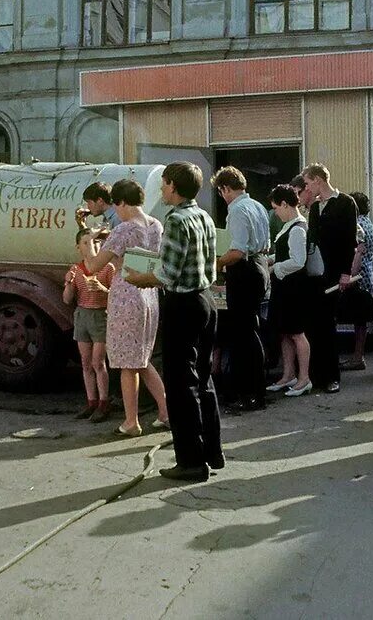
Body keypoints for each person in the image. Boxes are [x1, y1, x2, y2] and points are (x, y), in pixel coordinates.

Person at [124, 162, 222, 483]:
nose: (162, 189)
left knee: (180, 387)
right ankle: (211, 451)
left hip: (183, 305)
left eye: (165, 184)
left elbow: (166, 274)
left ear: (174, 187)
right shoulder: (204, 215)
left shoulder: (176, 221)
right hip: (206, 301)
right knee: (204, 380)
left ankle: (191, 462)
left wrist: (140, 277)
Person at [82, 179, 168, 438]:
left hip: (126, 294)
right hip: (149, 293)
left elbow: (95, 266)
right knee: (142, 359)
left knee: (126, 363)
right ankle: (165, 411)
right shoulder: (155, 225)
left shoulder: (123, 229)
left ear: (121, 202)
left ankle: (131, 421)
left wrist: (88, 244)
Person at [212, 166, 271, 413]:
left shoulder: (236, 210)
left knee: (242, 336)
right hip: (259, 266)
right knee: (250, 330)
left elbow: (237, 251)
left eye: (221, 192)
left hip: (244, 271)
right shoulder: (256, 205)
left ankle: (249, 393)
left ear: (226, 188)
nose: (222, 196)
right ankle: (256, 390)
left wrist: (217, 262)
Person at [302, 163, 358, 394]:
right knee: (315, 324)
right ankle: (317, 375)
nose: (306, 187)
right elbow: (312, 241)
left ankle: (331, 376)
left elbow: (350, 239)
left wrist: (346, 272)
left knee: (328, 324)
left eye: (307, 183)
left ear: (317, 180)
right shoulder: (315, 208)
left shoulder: (345, 203)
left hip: (335, 272)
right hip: (316, 273)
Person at [264, 184, 312, 396]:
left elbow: (298, 261)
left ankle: (304, 378)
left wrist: (275, 267)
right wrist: (270, 260)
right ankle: (288, 375)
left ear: (285, 204)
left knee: (297, 333)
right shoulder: (290, 225)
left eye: (276, 207)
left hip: (294, 288)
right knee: (285, 332)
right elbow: (284, 252)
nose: (275, 212)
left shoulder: (298, 228)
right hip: (284, 287)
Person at [64, 230, 116, 423]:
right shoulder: (76, 269)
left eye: (92, 242)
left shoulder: (107, 268)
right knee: (85, 363)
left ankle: (104, 402)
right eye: (85, 243)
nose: (90, 246)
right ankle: (91, 401)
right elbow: (67, 299)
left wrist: (103, 289)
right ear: (79, 248)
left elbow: (116, 295)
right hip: (82, 314)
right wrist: (69, 283)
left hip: (100, 315)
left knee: (98, 362)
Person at [341, 191, 373, 371]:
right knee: (361, 320)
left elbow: (358, 252)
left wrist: (349, 275)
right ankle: (359, 354)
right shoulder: (369, 224)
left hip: (356, 276)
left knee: (356, 317)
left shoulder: (357, 225)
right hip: (367, 274)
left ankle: (357, 357)